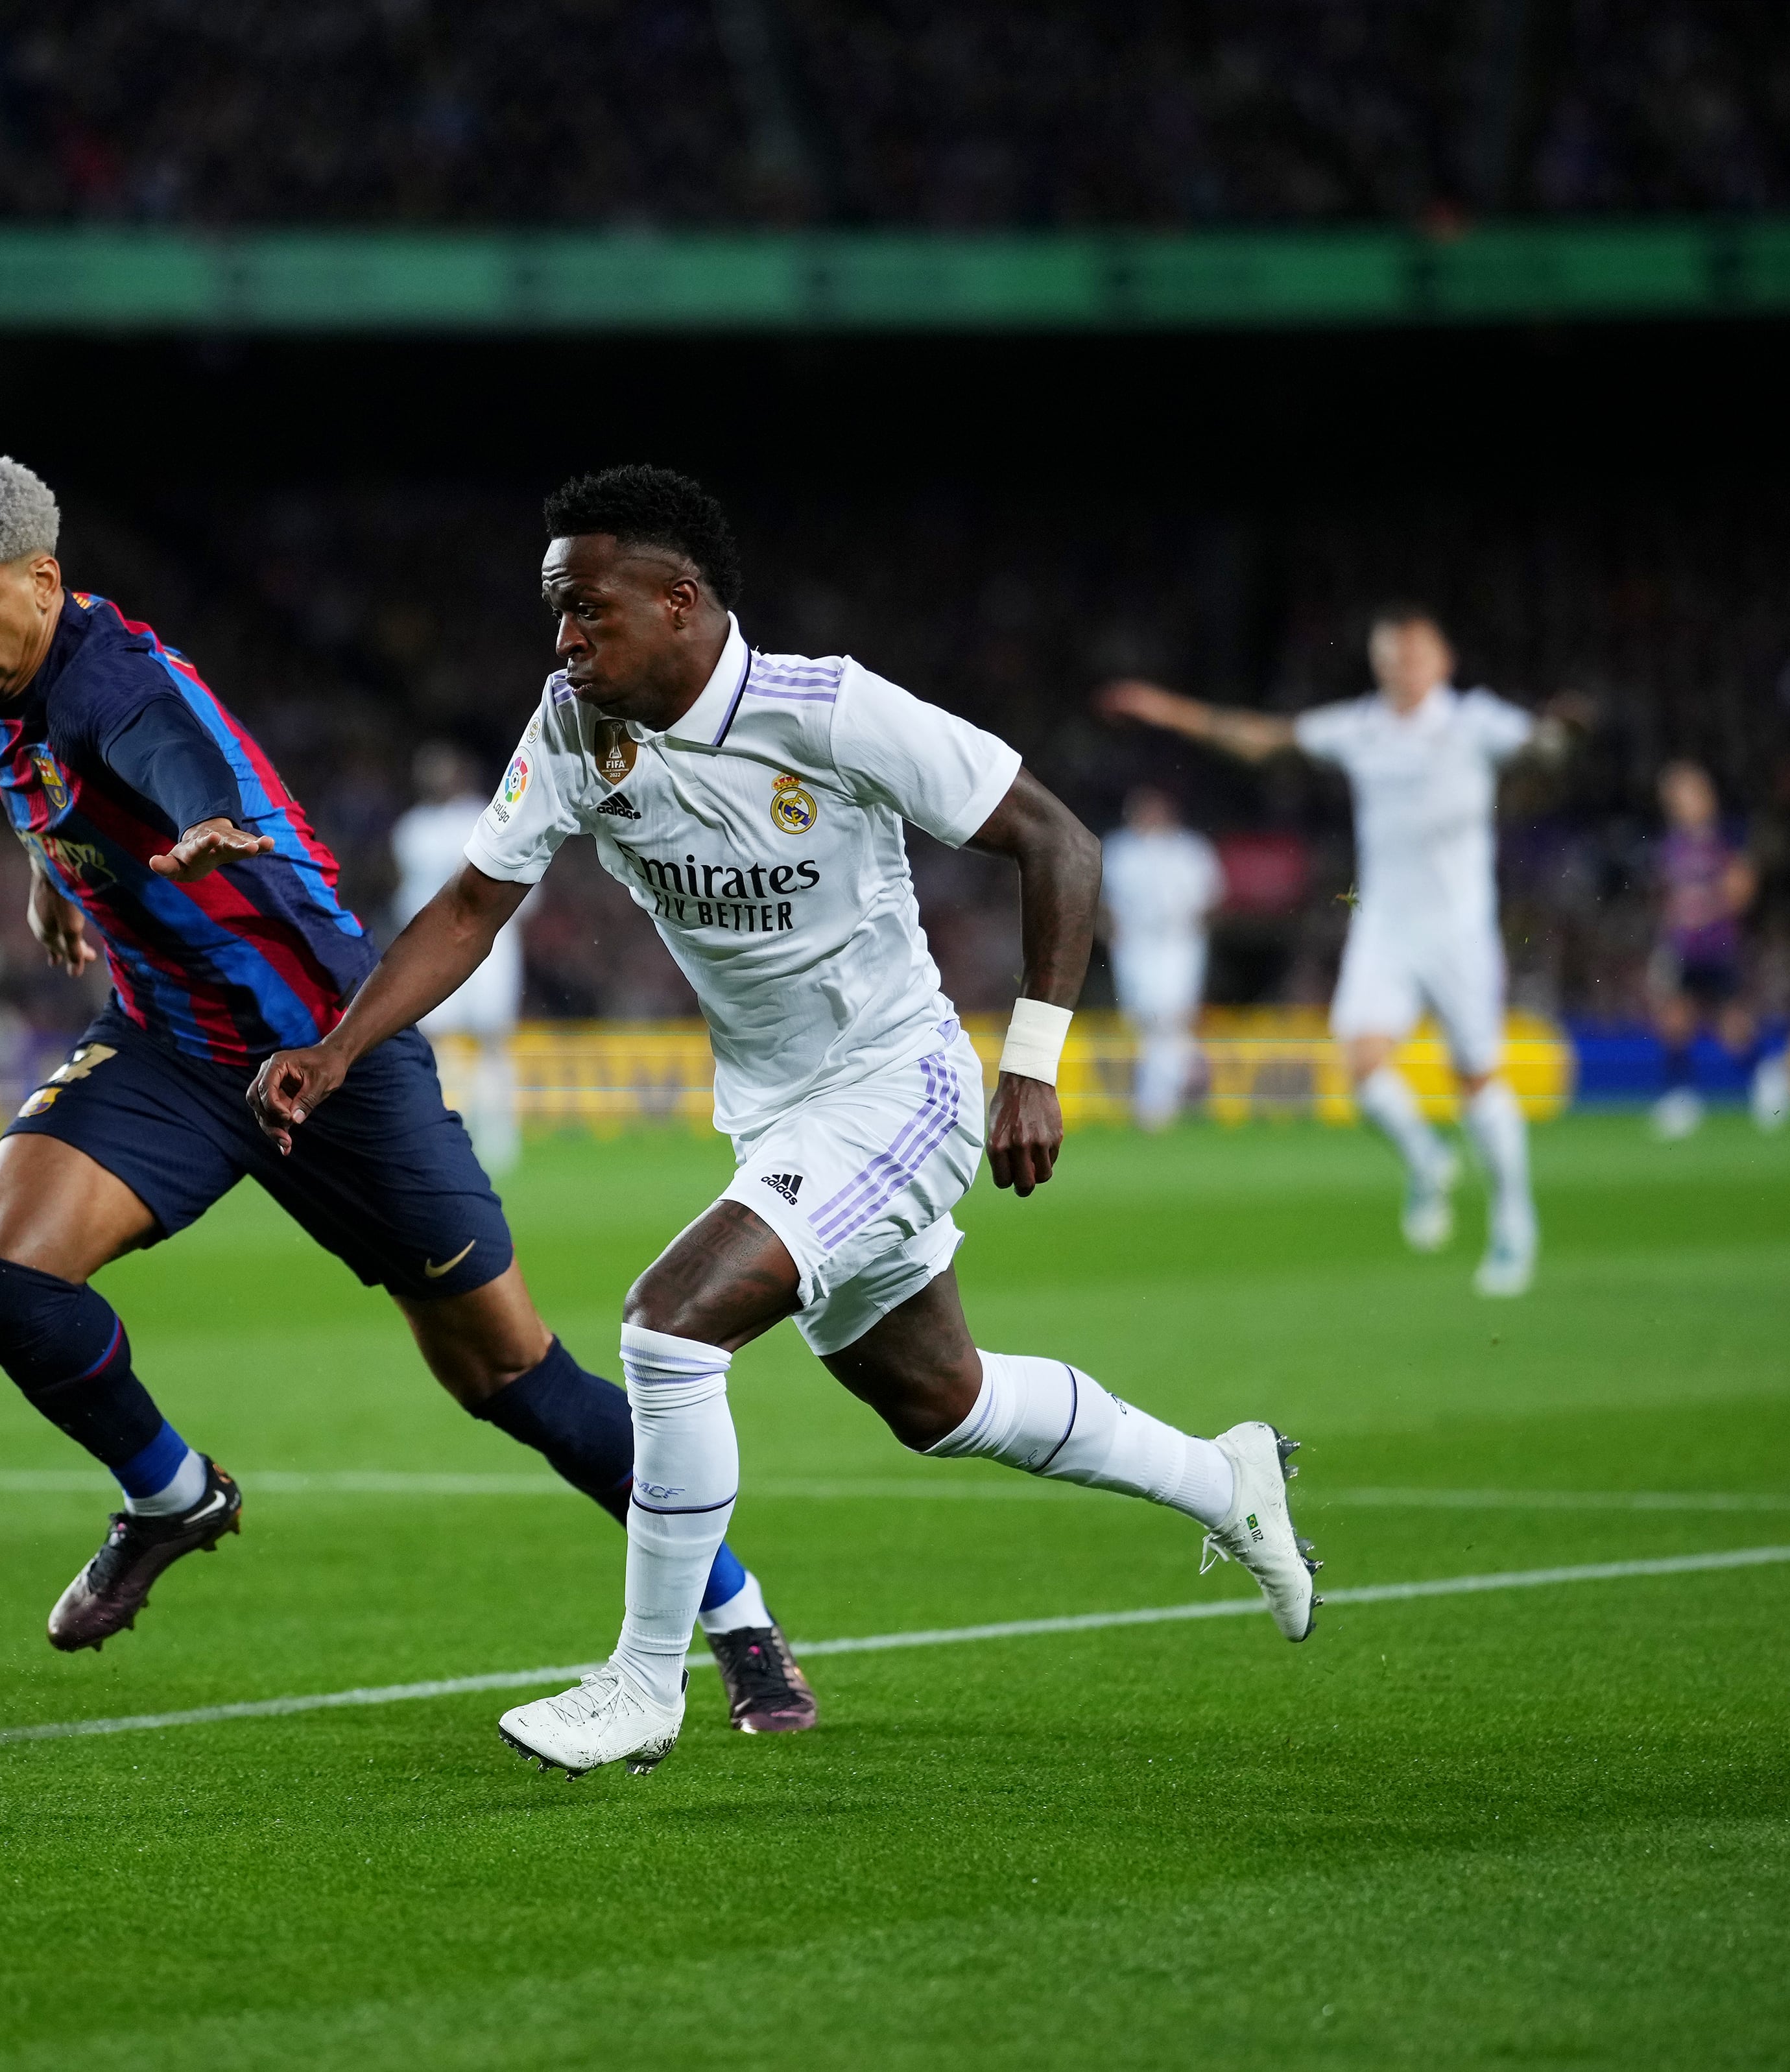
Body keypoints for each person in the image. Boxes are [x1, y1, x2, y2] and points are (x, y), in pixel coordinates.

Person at [251, 467, 1318, 1779]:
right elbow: (473, 905)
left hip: (899, 1081)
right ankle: (1227, 1479)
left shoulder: (829, 711)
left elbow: (1058, 841)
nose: (561, 640)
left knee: (665, 1325)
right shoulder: (574, 726)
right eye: (553, 615)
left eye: (584, 612)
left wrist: (1030, 1067)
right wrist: (338, 1048)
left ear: (676, 601)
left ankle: (642, 1685)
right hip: (776, 1111)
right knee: (939, 1399)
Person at [0, 453, 813, 1732]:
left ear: (43, 583)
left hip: (328, 1050)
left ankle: (737, 1613)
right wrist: (55, 871)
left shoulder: (110, 677)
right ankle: (169, 1495)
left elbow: (156, 744)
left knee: (513, 1378)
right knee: (2, 1278)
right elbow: (43, 771)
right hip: (169, 1045)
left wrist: (205, 814)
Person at [1098, 610, 1583, 1296]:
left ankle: (1512, 1222)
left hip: (1458, 930)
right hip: (1384, 926)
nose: (1399, 667)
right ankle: (1426, 1157)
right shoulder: (1361, 727)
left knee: (1475, 1076)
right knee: (1359, 1066)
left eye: (1412, 655)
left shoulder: (1474, 721)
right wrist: (1166, 710)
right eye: (1387, 656)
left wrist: (1563, 733)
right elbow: (1262, 739)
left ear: (1440, 661)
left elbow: (1541, 751)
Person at [391, 743, 531, 1174]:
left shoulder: (488, 815)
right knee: (439, 1035)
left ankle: (499, 1136)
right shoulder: (411, 828)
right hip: (435, 941)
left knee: (492, 1036)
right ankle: (451, 1128)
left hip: (493, 939)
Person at [1647, 761, 1787, 1137]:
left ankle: (1766, 1076)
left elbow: (1743, 890)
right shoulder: (1672, 846)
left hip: (1717, 944)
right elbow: (1667, 897)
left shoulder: (1726, 838)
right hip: (1682, 946)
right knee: (1675, 1020)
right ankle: (1681, 1096)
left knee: (1731, 1025)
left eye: (1685, 793)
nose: (1679, 803)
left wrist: (1703, 907)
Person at [1099, 787, 1224, 1131]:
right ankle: (1195, 1067)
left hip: (1178, 942)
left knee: (1169, 1015)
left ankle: (1155, 1104)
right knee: (1142, 1017)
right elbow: (1102, 897)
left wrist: (1191, 930)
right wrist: (1110, 929)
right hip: (1134, 942)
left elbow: (1212, 897)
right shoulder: (1119, 849)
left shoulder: (1191, 849)